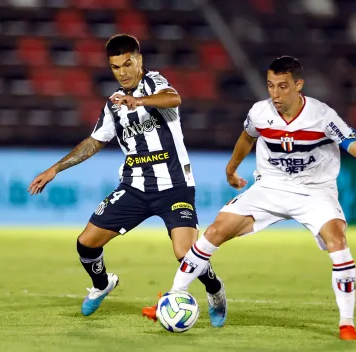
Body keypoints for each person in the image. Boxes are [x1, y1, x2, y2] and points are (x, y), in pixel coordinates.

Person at [159, 56, 356, 340]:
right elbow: (247, 137)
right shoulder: (261, 112)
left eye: (283, 86)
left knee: (338, 240)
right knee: (214, 231)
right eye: (270, 86)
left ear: (299, 85)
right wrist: (231, 169)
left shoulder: (322, 116)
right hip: (269, 188)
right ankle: (175, 295)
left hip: (314, 191)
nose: (275, 94)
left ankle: (347, 323)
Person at [27, 34, 227, 327]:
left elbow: (175, 98)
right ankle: (103, 283)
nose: (122, 71)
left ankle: (215, 290)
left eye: (127, 63)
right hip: (134, 188)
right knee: (86, 244)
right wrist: (56, 168)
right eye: (115, 67)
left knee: (185, 254)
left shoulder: (155, 84)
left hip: (174, 187)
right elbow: (94, 141)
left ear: (139, 60)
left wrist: (138, 101)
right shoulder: (113, 105)